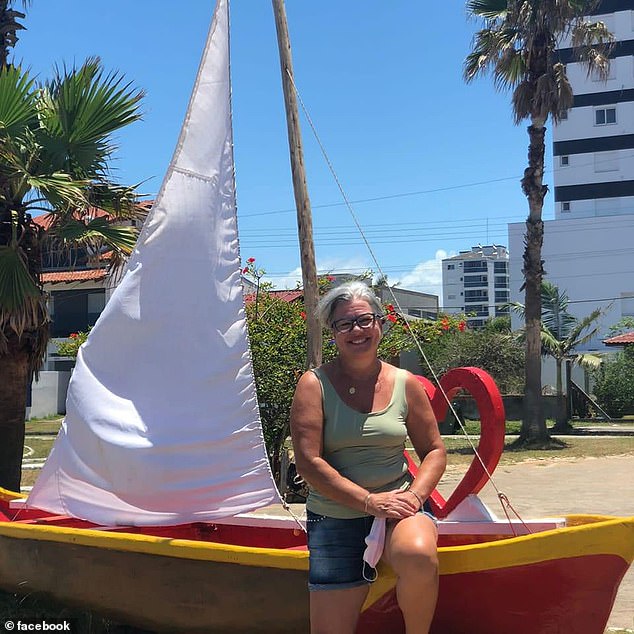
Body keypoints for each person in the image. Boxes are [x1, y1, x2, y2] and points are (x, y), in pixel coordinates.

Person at [290, 281, 446, 634]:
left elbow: (435, 450)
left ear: (380, 323)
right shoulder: (313, 385)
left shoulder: (407, 383)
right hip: (335, 517)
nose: (356, 331)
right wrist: (369, 501)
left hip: (400, 511)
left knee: (419, 556)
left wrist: (415, 497)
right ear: (332, 333)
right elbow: (309, 463)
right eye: (344, 324)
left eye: (364, 320)